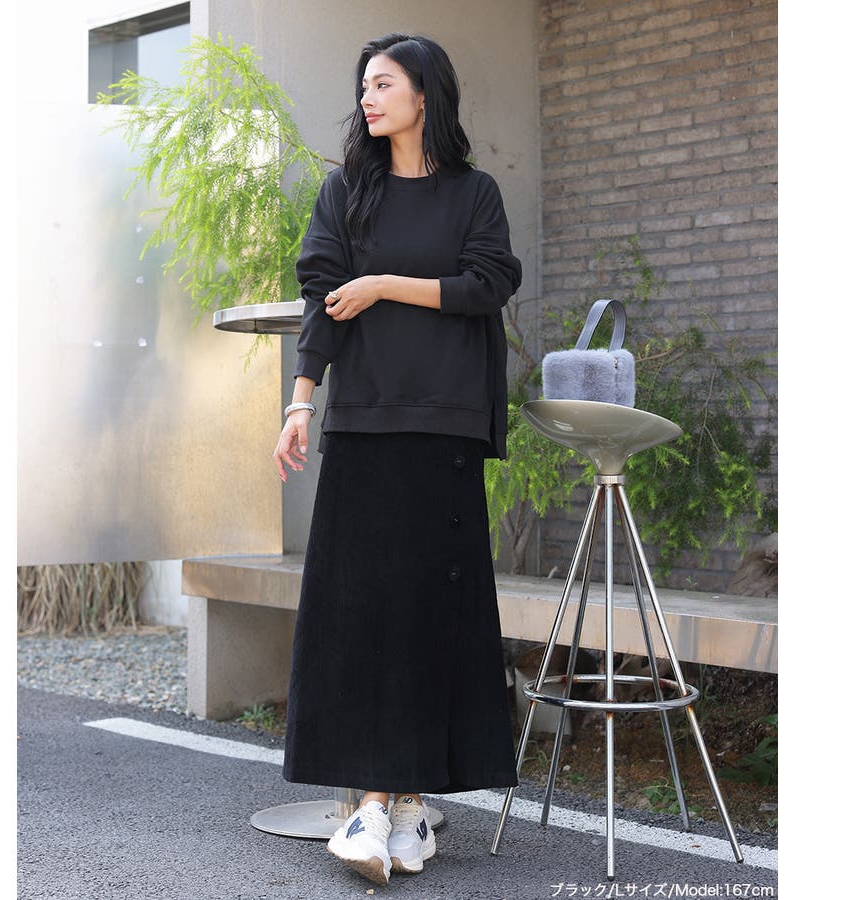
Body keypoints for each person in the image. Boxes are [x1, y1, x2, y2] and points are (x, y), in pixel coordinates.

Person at [272, 32, 523, 887]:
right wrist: (300, 403)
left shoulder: (473, 193)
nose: (368, 98)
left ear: (424, 94)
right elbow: (322, 302)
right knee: (360, 613)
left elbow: (488, 283)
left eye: (383, 84)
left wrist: (382, 284)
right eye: (364, 86)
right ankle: (379, 805)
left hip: (446, 426)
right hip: (364, 424)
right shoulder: (346, 193)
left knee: (428, 613)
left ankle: (403, 806)